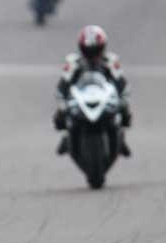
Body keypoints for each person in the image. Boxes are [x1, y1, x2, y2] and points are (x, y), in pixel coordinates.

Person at [53, 25, 132, 157]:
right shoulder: (73, 63)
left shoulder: (110, 62)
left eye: (96, 50)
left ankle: (120, 138)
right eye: (88, 51)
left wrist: (122, 99)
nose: (93, 55)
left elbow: (121, 83)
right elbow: (63, 84)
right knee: (61, 113)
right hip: (80, 99)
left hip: (104, 98)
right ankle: (67, 137)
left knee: (124, 108)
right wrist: (62, 101)